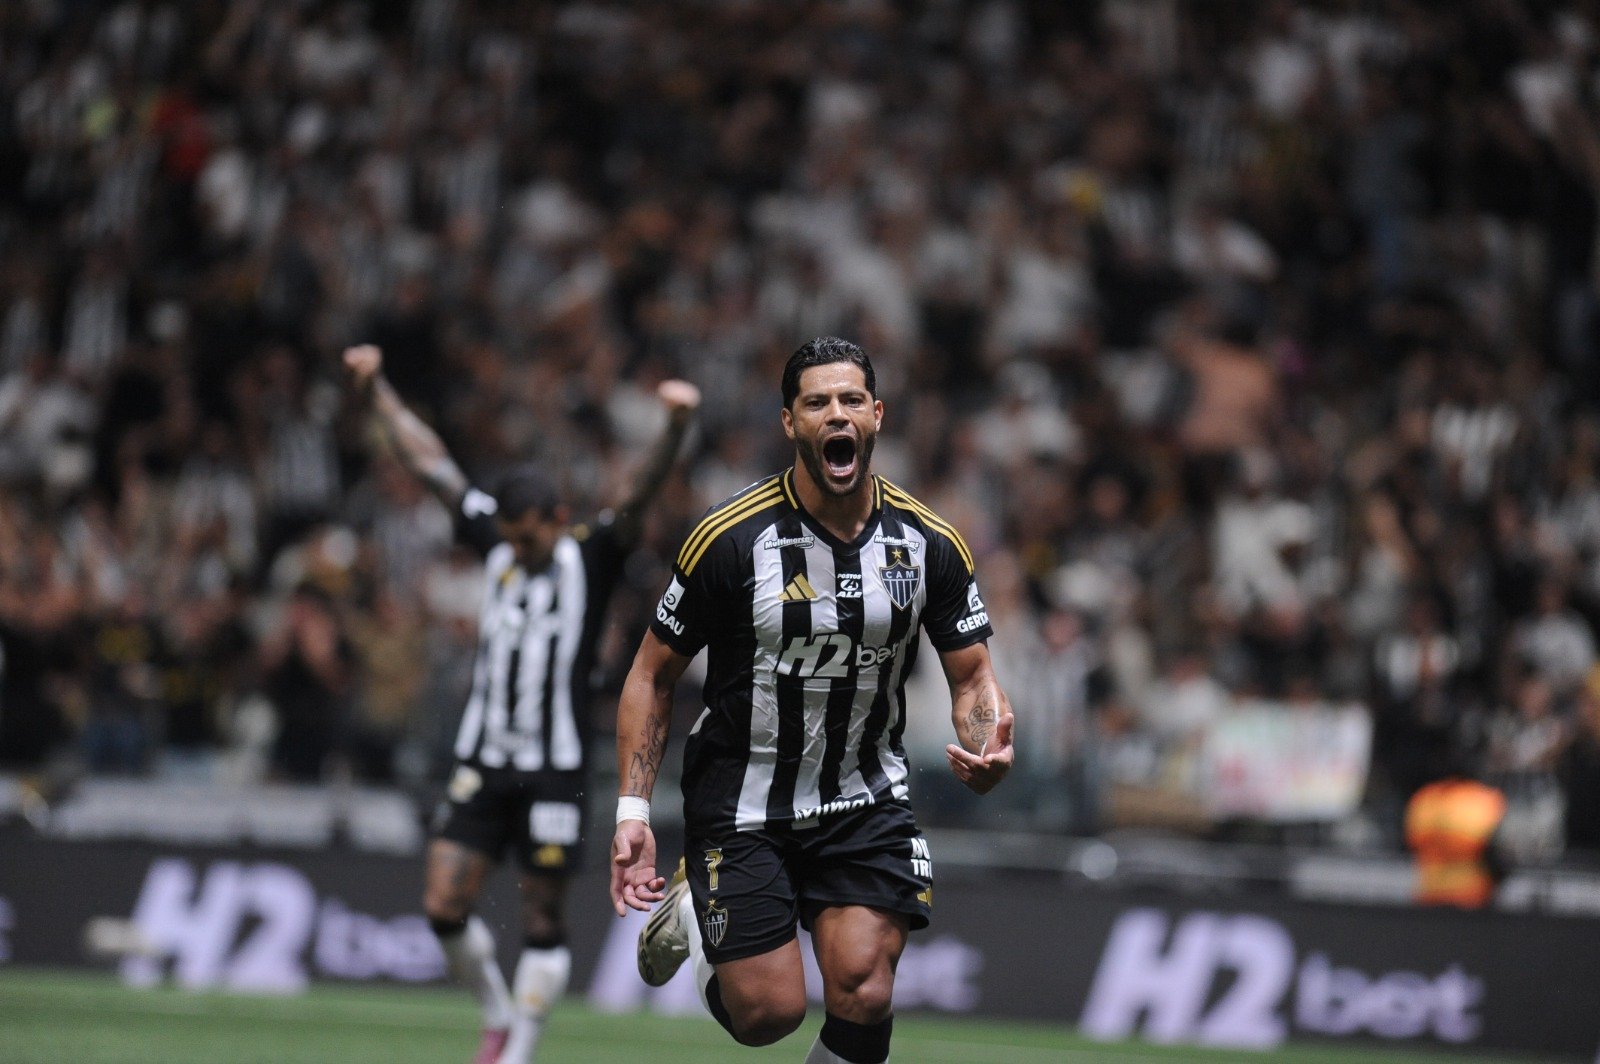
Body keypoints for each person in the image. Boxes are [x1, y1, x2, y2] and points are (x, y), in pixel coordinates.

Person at [609, 337, 1014, 1064]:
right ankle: (696, 915)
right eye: (818, 402)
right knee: (768, 1015)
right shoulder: (729, 539)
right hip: (743, 800)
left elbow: (973, 677)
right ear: (790, 422)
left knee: (865, 987)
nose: (838, 413)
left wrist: (986, 740)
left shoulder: (929, 542)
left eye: (852, 399)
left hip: (864, 797)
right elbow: (651, 676)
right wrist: (633, 810)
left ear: (877, 415)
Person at [343, 344, 699, 1064]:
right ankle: (497, 1012)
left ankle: (519, 1051)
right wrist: (378, 386)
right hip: (483, 757)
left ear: (556, 519)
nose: (520, 548)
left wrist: (674, 428)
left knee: (542, 914)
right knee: (442, 904)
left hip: (555, 767)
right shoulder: (496, 541)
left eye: (531, 535)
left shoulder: (590, 553)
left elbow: (637, 493)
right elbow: (432, 463)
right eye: (510, 536)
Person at [1404, 752, 1509, 909]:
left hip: (1429, 892)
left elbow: (1410, 844)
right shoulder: (1481, 799)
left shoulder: (1424, 798)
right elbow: (1495, 852)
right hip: (1472, 896)